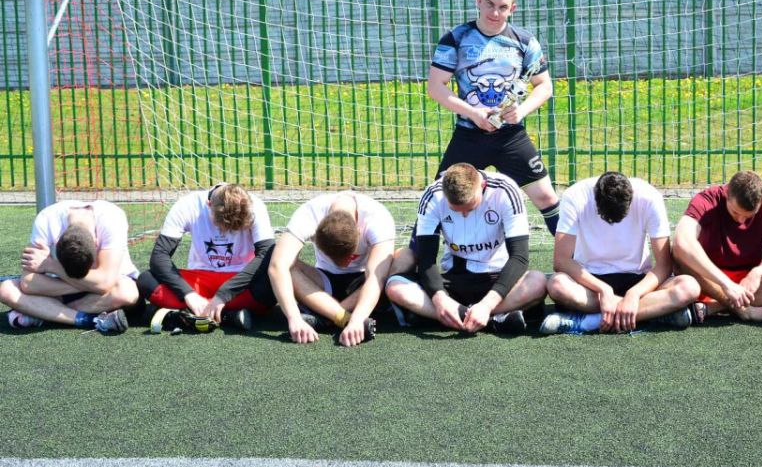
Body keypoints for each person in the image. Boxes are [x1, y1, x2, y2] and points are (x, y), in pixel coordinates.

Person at [427, 0, 561, 235]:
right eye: (490, 4)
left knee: (546, 196)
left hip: (510, 137)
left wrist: (521, 110)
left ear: (512, 9)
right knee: (438, 198)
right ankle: (417, 257)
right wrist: (473, 113)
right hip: (469, 135)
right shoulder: (456, 38)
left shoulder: (525, 41)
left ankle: (575, 254)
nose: (495, 12)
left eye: (503, 7)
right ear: (479, 1)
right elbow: (435, 86)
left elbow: (545, 86)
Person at [385, 162, 547, 333]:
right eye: (455, 210)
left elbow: (519, 257)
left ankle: (450, 316)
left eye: (470, 207)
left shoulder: (505, 190)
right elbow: (426, 259)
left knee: (538, 282)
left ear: (482, 186)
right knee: (395, 286)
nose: (464, 214)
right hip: (454, 280)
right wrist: (440, 298)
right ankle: (493, 320)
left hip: (498, 280)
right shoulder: (432, 195)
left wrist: (486, 305)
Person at [540, 172, 701, 334]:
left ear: (631, 199)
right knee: (557, 285)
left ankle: (591, 321)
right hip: (590, 284)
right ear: (595, 199)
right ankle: (653, 313)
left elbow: (664, 265)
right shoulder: (575, 196)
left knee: (689, 287)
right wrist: (604, 290)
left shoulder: (650, 197)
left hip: (638, 280)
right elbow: (561, 261)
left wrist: (634, 294)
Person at [673, 170, 762, 324]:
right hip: (709, 277)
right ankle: (746, 311)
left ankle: (714, 307)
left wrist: (757, 273)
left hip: (745, 278)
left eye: (749, 215)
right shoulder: (707, 199)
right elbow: (681, 242)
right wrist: (726, 284)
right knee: (682, 261)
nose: (741, 220)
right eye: (735, 212)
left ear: (761, 200)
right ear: (727, 194)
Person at [135, 184, 275, 332]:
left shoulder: (255, 206)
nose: (226, 231)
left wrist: (224, 294)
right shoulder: (188, 205)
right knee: (146, 280)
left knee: (273, 284)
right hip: (199, 280)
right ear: (208, 205)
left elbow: (267, 253)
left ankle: (186, 314)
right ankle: (226, 315)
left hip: (241, 281)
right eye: (222, 225)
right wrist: (188, 294)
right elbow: (159, 256)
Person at [268, 190, 396, 346]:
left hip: (361, 282)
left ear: (359, 231)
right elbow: (277, 266)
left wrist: (357, 320)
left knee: (395, 261)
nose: (345, 265)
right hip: (322, 282)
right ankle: (342, 319)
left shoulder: (377, 217)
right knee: (282, 262)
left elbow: (376, 279)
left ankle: (325, 317)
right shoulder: (310, 213)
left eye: (349, 256)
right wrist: (294, 319)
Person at [0, 200, 138, 334]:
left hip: (107, 290)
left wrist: (51, 265)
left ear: (96, 242)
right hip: (63, 288)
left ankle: (43, 313)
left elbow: (106, 284)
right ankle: (89, 319)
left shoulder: (112, 217)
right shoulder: (47, 218)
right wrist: (92, 284)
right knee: (7, 289)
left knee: (127, 293)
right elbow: (28, 283)